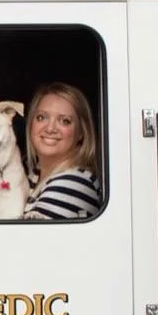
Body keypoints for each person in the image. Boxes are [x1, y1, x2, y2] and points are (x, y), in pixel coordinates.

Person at [22, 81, 102, 220]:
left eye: (64, 121)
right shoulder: (30, 174)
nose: (50, 128)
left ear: (81, 132)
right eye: (42, 117)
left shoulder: (75, 183)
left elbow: (27, 239)